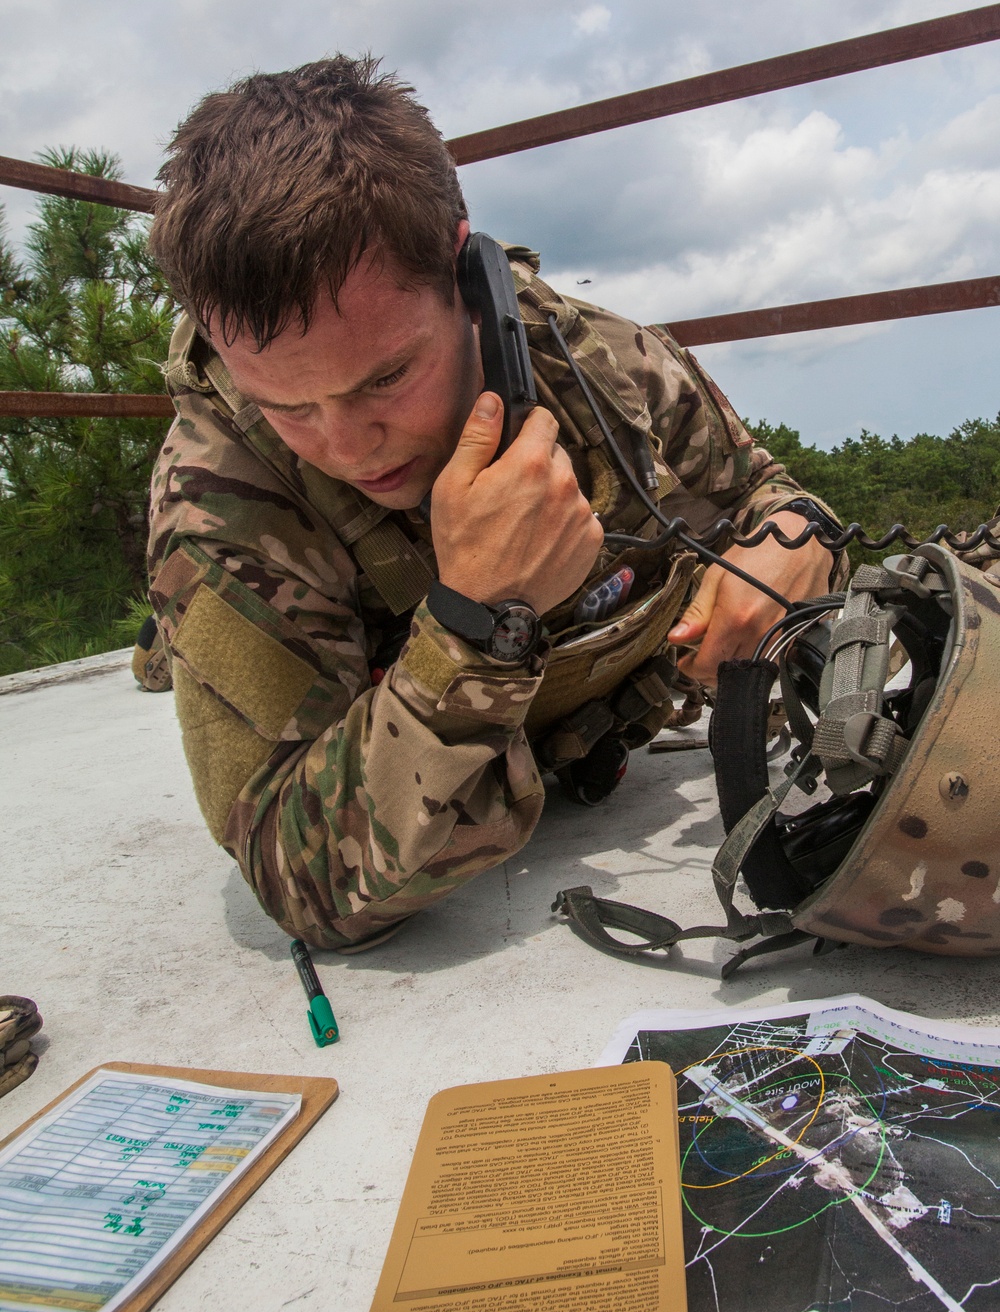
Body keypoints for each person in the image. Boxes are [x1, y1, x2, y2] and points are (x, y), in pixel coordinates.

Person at [143, 55, 841, 951]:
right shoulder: (217, 500)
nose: (349, 445)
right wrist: (476, 622)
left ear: (470, 281)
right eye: (287, 407)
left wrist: (794, 539)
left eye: (386, 377)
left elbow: (769, 496)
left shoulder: (599, 364)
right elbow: (300, 880)